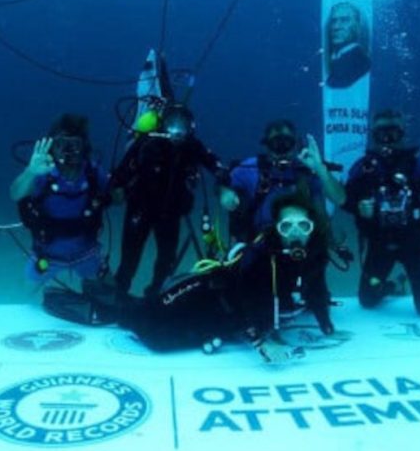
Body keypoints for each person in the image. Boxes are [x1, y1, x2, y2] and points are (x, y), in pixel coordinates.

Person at [115, 191, 332, 363]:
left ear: (312, 229)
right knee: (148, 320)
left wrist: (327, 326)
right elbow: (242, 299)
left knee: (163, 338)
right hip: (211, 290)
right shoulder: (262, 255)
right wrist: (261, 342)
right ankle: (105, 305)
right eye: (287, 226)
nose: (295, 232)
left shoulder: (317, 255)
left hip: (226, 317)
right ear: (277, 229)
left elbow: (318, 290)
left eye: (303, 225)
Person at [344, 110, 420, 317]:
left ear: (403, 134)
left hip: (415, 243)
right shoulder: (364, 167)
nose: (387, 139)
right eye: (382, 133)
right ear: (373, 135)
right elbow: (346, 201)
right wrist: (359, 207)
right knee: (367, 300)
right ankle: (396, 286)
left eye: (394, 133)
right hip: (380, 243)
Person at [220, 120, 345, 315]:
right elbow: (223, 181)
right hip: (261, 245)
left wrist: (320, 169)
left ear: (295, 144)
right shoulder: (250, 169)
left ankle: (309, 292)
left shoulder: (307, 170)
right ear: (266, 146)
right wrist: (225, 193)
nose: (282, 149)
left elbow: (340, 198)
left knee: (317, 259)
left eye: (287, 143)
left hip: (299, 242)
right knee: (253, 297)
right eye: (275, 143)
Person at [110, 103, 228, 299]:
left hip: (170, 213)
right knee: (129, 257)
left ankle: (156, 295)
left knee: (167, 258)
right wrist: (116, 189)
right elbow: (122, 171)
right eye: (172, 125)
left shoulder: (193, 147)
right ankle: (119, 295)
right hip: (140, 208)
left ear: (191, 128)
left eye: (182, 126)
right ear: (163, 125)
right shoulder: (147, 143)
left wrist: (224, 180)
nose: (176, 132)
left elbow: (215, 164)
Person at [11, 114, 110, 290]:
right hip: (47, 256)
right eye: (61, 144)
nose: (68, 151)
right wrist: (30, 171)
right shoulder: (42, 173)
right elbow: (15, 194)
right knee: (25, 294)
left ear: (84, 147)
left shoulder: (93, 172)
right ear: (52, 147)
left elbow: (116, 196)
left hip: (86, 253)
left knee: (108, 292)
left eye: (75, 145)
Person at [324, 1, 372, 88]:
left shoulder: (363, 63)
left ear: (357, 25)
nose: (336, 27)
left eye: (344, 20)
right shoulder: (334, 57)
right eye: (333, 21)